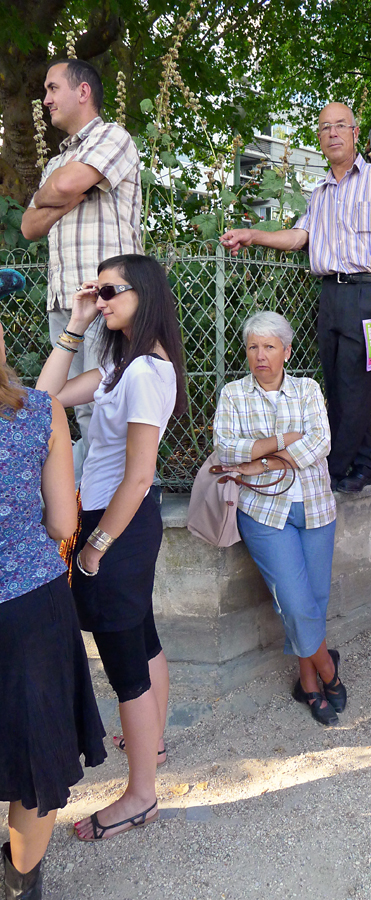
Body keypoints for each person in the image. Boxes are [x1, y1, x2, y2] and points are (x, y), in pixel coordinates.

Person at [36, 254, 186, 842]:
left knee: (124, 660)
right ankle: (155, 743)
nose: (100, 301)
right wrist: (75, 323)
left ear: (142, 293)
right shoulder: (123, 367)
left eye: (108, 291)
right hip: (116, 521)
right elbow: (46, 396)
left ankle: (141, 794)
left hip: (116, 524)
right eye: (96, 292)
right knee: (140, 637)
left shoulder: (146, 373)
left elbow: (141, 474)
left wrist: (96, 545)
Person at [220, 102, 371, 494]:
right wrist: (253, 235)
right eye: (325, 127)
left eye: (340, 125)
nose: (332, 133)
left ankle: (328, 469)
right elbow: (298, 237)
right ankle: (359, 466)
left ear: (356, 132)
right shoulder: (320, 193)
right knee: (338, 387)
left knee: (360, 387)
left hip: (369, 292)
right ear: (319, 137)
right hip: (330, 296)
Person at [0, 273, 106, 898]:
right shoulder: (40, 415)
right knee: (34, 763)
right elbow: (64, 521)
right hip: (29, 606)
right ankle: (18, 882)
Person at [214, 311, 346, 726]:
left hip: (316, 507)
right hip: (265, 513)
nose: (260, 355)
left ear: (286, 351)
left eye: (269, 346)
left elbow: (321, 441)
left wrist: (263, 459)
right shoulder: (234, 394)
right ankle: (328, 669)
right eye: (253, 346)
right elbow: (227, 450)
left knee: (315, 601)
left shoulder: (307, 390)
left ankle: (307, 679)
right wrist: (283, 443)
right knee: (294, 599)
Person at [21, 59, 142, 479]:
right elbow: (29, 225)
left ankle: (131, 500)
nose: (46, 99)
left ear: (83, 92)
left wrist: (59, 193)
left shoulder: (115, 137)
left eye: (53, 89)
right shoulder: (58, 161)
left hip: (109, 299)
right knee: (74, 407)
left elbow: (63, 188)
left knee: (115, 406)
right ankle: (90, 503)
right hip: (66, 301)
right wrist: (67, 192)